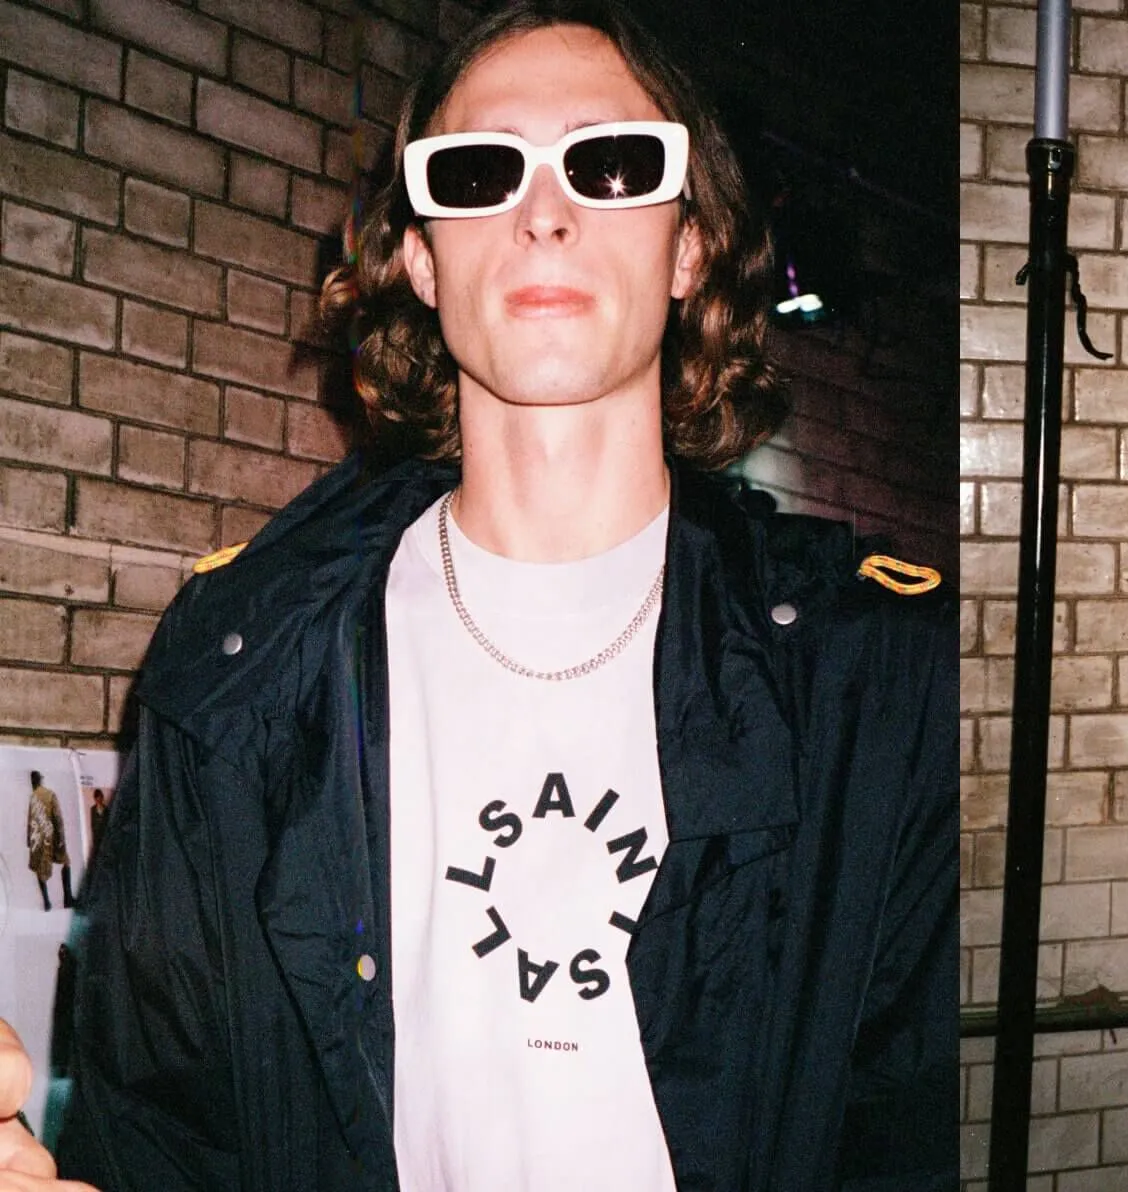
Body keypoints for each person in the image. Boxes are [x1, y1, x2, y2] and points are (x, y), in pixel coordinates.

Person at [16, 4, 957, 1190]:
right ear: (422, 253)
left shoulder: (881, 679)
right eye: (478, 172)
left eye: (612, 163)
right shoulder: (235, 666)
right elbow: (159, 1127)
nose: (544, 211)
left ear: (687, 248)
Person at [25, 774, 72, 913]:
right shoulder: (50, 794)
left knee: (40, 868)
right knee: (66, 861)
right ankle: (67, 898)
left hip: (38, 839)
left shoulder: (33, 797)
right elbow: (58, 818)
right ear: (41, 780)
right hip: (53, 837)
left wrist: (29, 839)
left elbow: (30, 820)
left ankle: (46, 902)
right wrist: (62, 837)